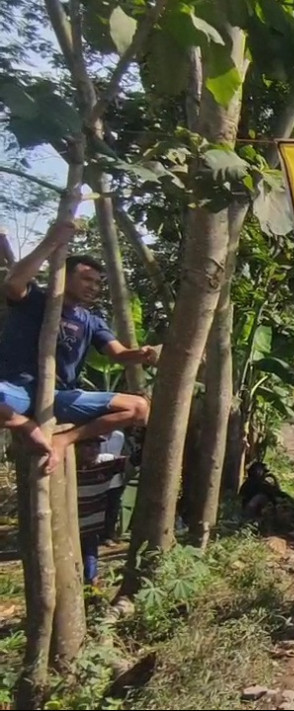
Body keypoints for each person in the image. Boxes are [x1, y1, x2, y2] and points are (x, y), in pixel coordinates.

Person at [0, 221, 159, 473]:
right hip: (17, 390)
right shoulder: (35, 300)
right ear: (63, 276)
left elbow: (118, 354)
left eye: (97, 283)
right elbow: (12, 284)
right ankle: (23, 425)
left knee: (139, 408)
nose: (93, 287)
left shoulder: (91, 321)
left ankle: (64, 440)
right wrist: (52, 240)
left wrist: (141, 354)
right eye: (86, 279)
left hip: (62, 396)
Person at [76, 436, 125, 585]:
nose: (94, 450)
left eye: (97, 446)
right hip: (68, 529)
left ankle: (92, 587)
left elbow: (133, 460)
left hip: (90, 527)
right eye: (88, 445)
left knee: (91, 558)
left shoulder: (104, 467)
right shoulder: (63, 468)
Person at [99, 429, 127, 545]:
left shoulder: (119, 436)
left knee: (113, 506)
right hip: (98, 476)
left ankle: (110, 533)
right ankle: (99, 535)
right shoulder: (95, 434)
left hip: (115, 477)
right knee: (100, 507)